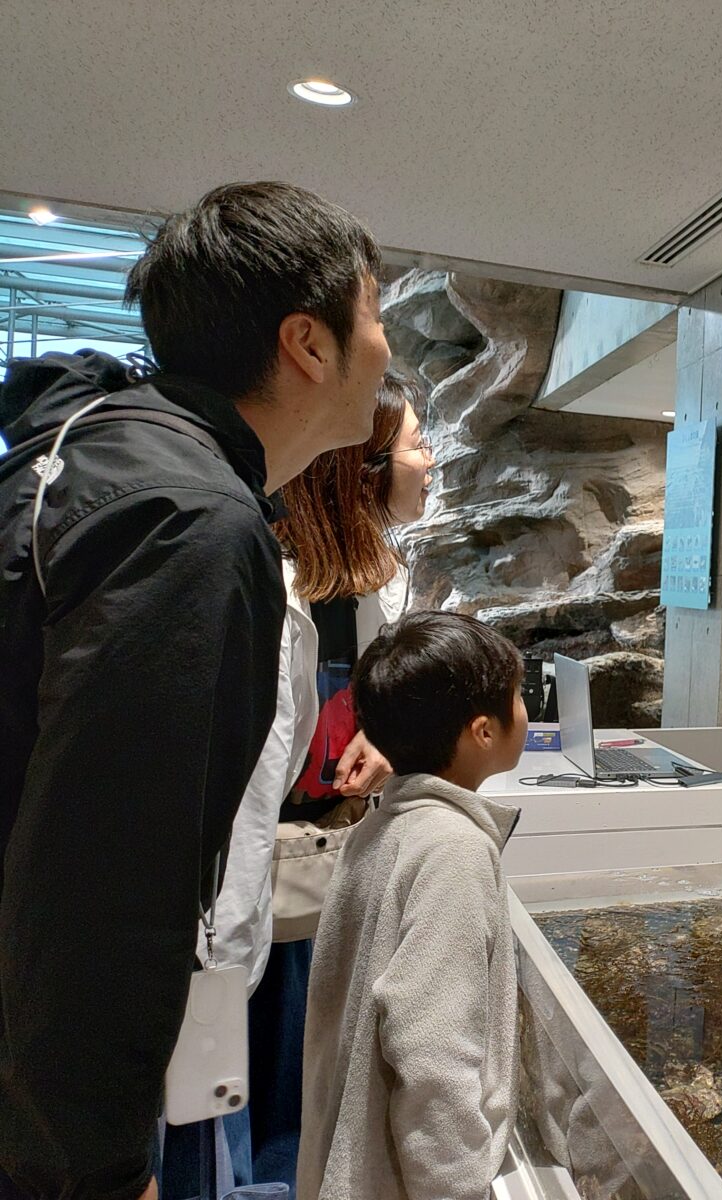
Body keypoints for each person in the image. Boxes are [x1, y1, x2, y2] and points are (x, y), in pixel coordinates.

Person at [0, 180, 388, 1200]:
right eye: (375, 313)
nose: (386, 347)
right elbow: (104, 875)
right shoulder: (190, 523)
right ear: (309, 342)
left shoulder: (105, 453)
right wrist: (94, 1166)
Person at [167, 371, 432, 1195]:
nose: (431, 464)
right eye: (420, 445)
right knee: (248, 1103)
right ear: (365, 467)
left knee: (306, 1098)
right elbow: (247, 782)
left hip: (322, 878)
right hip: (251, 902)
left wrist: (385, 741)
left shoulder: (378, 578)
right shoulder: (275, 586)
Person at [299, 611, 526, 1200]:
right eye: (519, 695)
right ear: (483, 730)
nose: (525, 708)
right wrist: (455, 1187)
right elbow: (432, 1053)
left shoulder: (383, 828)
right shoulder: (453, 850)